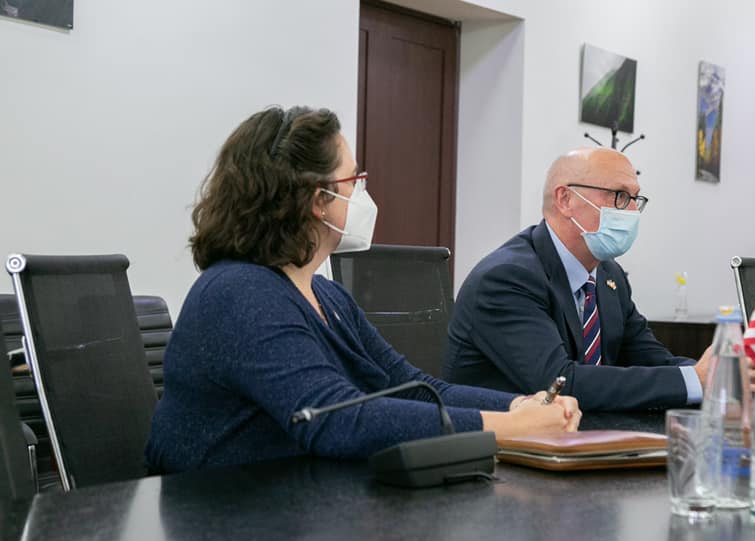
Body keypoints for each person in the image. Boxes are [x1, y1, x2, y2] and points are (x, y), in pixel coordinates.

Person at [145, 106, 580, 474]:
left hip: (300, 508)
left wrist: (522, 405)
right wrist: (510, 429)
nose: (361, 193)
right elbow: (336, 419)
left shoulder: (328, 297)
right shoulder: (238, 293)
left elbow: (414, 387)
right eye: (354, 181)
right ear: (318, 200)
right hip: (222, 523)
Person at [443, 147, 712, 411]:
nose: (632, 210)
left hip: (581, 430)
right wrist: (693, 380)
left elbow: (651, 359)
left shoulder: (609, 276)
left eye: (635, 198)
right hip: (502, 435)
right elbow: (559, 384)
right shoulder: (507, 278)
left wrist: (716, 377)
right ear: (565, 200)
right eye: (619, 196)